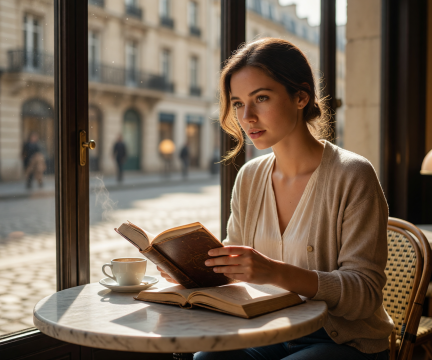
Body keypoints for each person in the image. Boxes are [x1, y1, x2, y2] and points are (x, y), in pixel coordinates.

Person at [158, 38, 393, 360]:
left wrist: (275, 272)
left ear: (300, 97)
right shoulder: (250, 177)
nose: (247, 116)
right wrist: (190, 269)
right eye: (238, 103)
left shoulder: (352, 174)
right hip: (264, 330)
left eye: (262, 98)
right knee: (206, 359)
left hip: (338, 339)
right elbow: (235, 267)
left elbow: (365, 294)